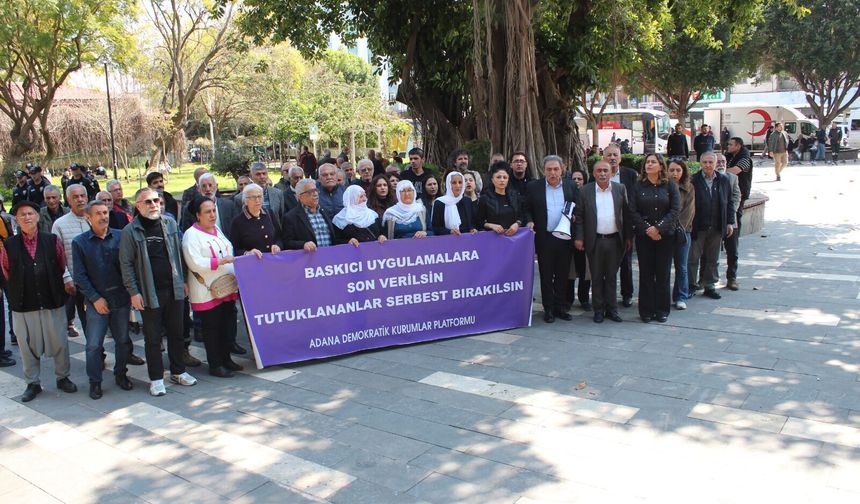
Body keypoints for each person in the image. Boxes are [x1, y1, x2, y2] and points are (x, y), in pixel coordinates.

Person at [120, 187, 198, 396]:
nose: (154, 205)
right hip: (148, 292)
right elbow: (126, 265)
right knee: (153, 338)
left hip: (173, 289)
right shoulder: (130, 231)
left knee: (177, 334)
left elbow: (178, 255)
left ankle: (178, 371)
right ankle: (156, 378)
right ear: (138, 206)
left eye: (157, 201)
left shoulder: (170, 223)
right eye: (148, 202)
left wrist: (183, 281)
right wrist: (134, 293)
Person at [0, 200, 78, 402]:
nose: (27, 217)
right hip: (23, 304)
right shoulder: (9, 245)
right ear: (16, 220)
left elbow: (61, 266)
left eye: (30, 213)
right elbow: (7, 271)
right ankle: (33, 383)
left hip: (52, 299)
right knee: (27, 346)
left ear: (37, 216)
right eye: (22, 215)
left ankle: (63, 377)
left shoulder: (51, 240)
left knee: (59, 341)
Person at [72, 201, 135, 399]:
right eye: (98, 213)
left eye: (105, 212)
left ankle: (121, 374)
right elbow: (80, 276)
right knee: (93, 345)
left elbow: (129, 266)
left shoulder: (120, 236)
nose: (103, 216)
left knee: (123, 340)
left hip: (120, 299)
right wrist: (95, 298)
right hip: (96, 301)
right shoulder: (80, 242)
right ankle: (95, 382)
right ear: (88, 218)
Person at [182, 195, 242, 378]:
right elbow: (194, 262)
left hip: (225, 287)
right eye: (207, 212)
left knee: (226, 325)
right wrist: (220, 261)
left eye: (213, 210)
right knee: (212, 328)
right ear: (198, 215)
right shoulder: (191, 235)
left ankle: (226, 359)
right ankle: (215, 364)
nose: (212, 215)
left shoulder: (216, 229)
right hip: (207, 290)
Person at [574, 160, 631, 323]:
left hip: (615, 240)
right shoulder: (586, 191)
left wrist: (628, 237)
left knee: (612, 276)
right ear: (593, 173)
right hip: (595, 240)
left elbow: (626, 215)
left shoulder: (620, 189)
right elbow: (580, 217)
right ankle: (598, 310)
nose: (602, 173)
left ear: (611, 172)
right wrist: (579, 237)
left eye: (605, 170)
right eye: (599, 170)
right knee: (597, 277)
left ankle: (612, 309)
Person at [522, 156, 577, 323]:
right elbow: (526, 208)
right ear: (543, 170)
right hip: (545, 237)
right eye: (549, 169)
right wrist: (529, 220)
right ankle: (549, 309)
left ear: (562, 169)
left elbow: (578, 206)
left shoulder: (570, 185)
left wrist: (575, 216)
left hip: (564, 238)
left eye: (556, 169)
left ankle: (560, 307)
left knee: (562, 275)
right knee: (546, 275)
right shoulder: (533, 187)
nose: (552, 173)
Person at [629, 153, 680, 323]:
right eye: (647, 162)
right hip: (644, 237)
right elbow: (633, 211)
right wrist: (648, 229)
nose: (649, 164)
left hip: (665, 237)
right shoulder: (637, 187)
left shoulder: (670, 186)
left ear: (660, 165)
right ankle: (646, 311)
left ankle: (662, 310)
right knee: (646, 274)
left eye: (653, 162)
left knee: (663, 274)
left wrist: (658, 228)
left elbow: (674, 210)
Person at [688, 152, 735, 300]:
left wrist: (729, 222)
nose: (708, 165)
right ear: (700, 163)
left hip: (716, 226)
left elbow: (730, 202)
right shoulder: (693, 180)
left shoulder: (723, 180)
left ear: (715, 164)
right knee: (693, 258)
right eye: (705, 162)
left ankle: (710, 285)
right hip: (697, 227)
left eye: (711, 162)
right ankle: (690, 286)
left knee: (712, 258)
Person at [52, 185, 90, 339]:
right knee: (87, 321)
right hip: (78, 282)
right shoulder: (60, 224)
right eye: (75, 197)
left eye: (82, 195)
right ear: (68, 200)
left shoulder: (95, 218)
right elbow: (57, 256)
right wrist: (67, 278)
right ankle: (96, 356)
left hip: (100, 279)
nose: (80, 199)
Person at [604, 144, 638, 307]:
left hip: (625, 226)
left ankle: (627, 294)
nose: (612, 158)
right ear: (604, 158)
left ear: (620, 157)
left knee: (626, 263)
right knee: (605, 265)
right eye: (609, 155)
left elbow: (634, 201)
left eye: (615, 155)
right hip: (604, 226)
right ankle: (606, 296)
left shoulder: (630, 175)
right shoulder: (599, 174)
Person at [724, 138, 752, 290]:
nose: (727, 147)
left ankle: (731, 277)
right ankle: (705, 278)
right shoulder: (729, 156)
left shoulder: (744, 159)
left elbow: (734, 171)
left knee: (732, 244)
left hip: (736, 202)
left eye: (730, 145)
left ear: (738, 146)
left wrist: (718, 168)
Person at [668, 160, 695, 310]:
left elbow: (688, 212)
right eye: (671, 170)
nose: (675, 173)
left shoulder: (689, 188)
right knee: (663, 268)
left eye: (678, 170)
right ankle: (662, 296)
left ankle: (680, 296)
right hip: (664, 234)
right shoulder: (662, 187)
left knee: (681, 267)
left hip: (682, 233)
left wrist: (675, 228)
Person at [282, 179, 337, 251]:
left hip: (330, 259)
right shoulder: (290, 217)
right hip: (310, 259)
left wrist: (348, 242)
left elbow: (334, 237)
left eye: (316, 190)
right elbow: (286, 242)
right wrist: (303, 244)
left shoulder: (325, 211)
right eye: (310, 192)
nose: (315, 194)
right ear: (299, 196)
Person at [179, 173, 238, 240]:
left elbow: (236, 229)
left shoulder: (228, 205)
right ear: (198, 189)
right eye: (203, 186)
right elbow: (187, 232)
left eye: (210, 185)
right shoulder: (190, 208)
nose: (207, 189)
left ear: (216, 186)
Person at [231, 183, 283, 258]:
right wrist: (247, 253)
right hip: (253, 264)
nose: (257, 200)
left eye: (259, 196)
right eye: (253, 197)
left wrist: (278, 246)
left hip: (273, 260)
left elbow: (279, 237)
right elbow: (234, 249)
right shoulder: (238, 222)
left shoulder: (269, 213)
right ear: (245, 201)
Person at [716, 153, 742, 292]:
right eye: (718, 162)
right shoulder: (709, 178)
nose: (721, 164)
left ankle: (732, 278)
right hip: (713, 222)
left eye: (723, 162)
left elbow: (737, 196)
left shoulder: (732, 178)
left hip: (731, 221)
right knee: (709, 253)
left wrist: (730, 215)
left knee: (732, 252)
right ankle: (705, 278)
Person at [566, 169, 591, 312]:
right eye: (574, 178)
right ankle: (568, 299)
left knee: (585, 271)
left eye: (580, 179)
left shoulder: (589, 195)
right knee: (569, 272)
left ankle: (584, 299)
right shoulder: (567, 195)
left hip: (586, 239)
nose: (577, 181)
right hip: (569, 239)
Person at [432, 171, 477, 236]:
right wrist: (450, 231)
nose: (458, 185)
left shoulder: (467, 201)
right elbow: (435, 228)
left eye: (460, 182)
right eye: (454, 183)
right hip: (447, 242)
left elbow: (472, 223)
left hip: (467, 242)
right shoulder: (440, 202)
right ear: (448, 184)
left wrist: (473, 229)